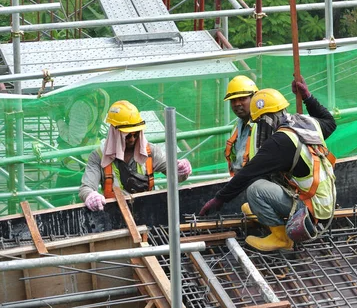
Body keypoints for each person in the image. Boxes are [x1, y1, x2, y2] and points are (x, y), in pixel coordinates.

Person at [199, 78, 337, 252]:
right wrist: (307, 97)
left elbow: (249, 173)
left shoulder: (281, 142)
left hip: (312, 210)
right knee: (266, 185)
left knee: (255, 189)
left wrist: (219, 199)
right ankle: (271, 213)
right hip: (323, 200)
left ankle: (281, 238)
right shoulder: (303, 123)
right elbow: (330, 122)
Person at [79, 100, 192, 211]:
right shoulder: (98, 157)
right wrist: (91, 196)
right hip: (114, 213)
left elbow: (175, 176)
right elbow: (86, 188)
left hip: (147, 211)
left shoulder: (150, 152)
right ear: (115, 133)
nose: (132, 139)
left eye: (136, 134)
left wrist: (181, 170)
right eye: (127, 136)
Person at [55, 88, 110, 171]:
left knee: (70, 183)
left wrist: (57, 117)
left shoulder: (81, 106)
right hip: (91, 156)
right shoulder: (101, 95)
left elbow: (73, 140)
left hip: (75, 161)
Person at [223, 75, 259, 176]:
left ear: (254, 98)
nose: (237, 104)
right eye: (233, 100)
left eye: (242, 99)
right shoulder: (237, 127)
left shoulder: (262, 127)